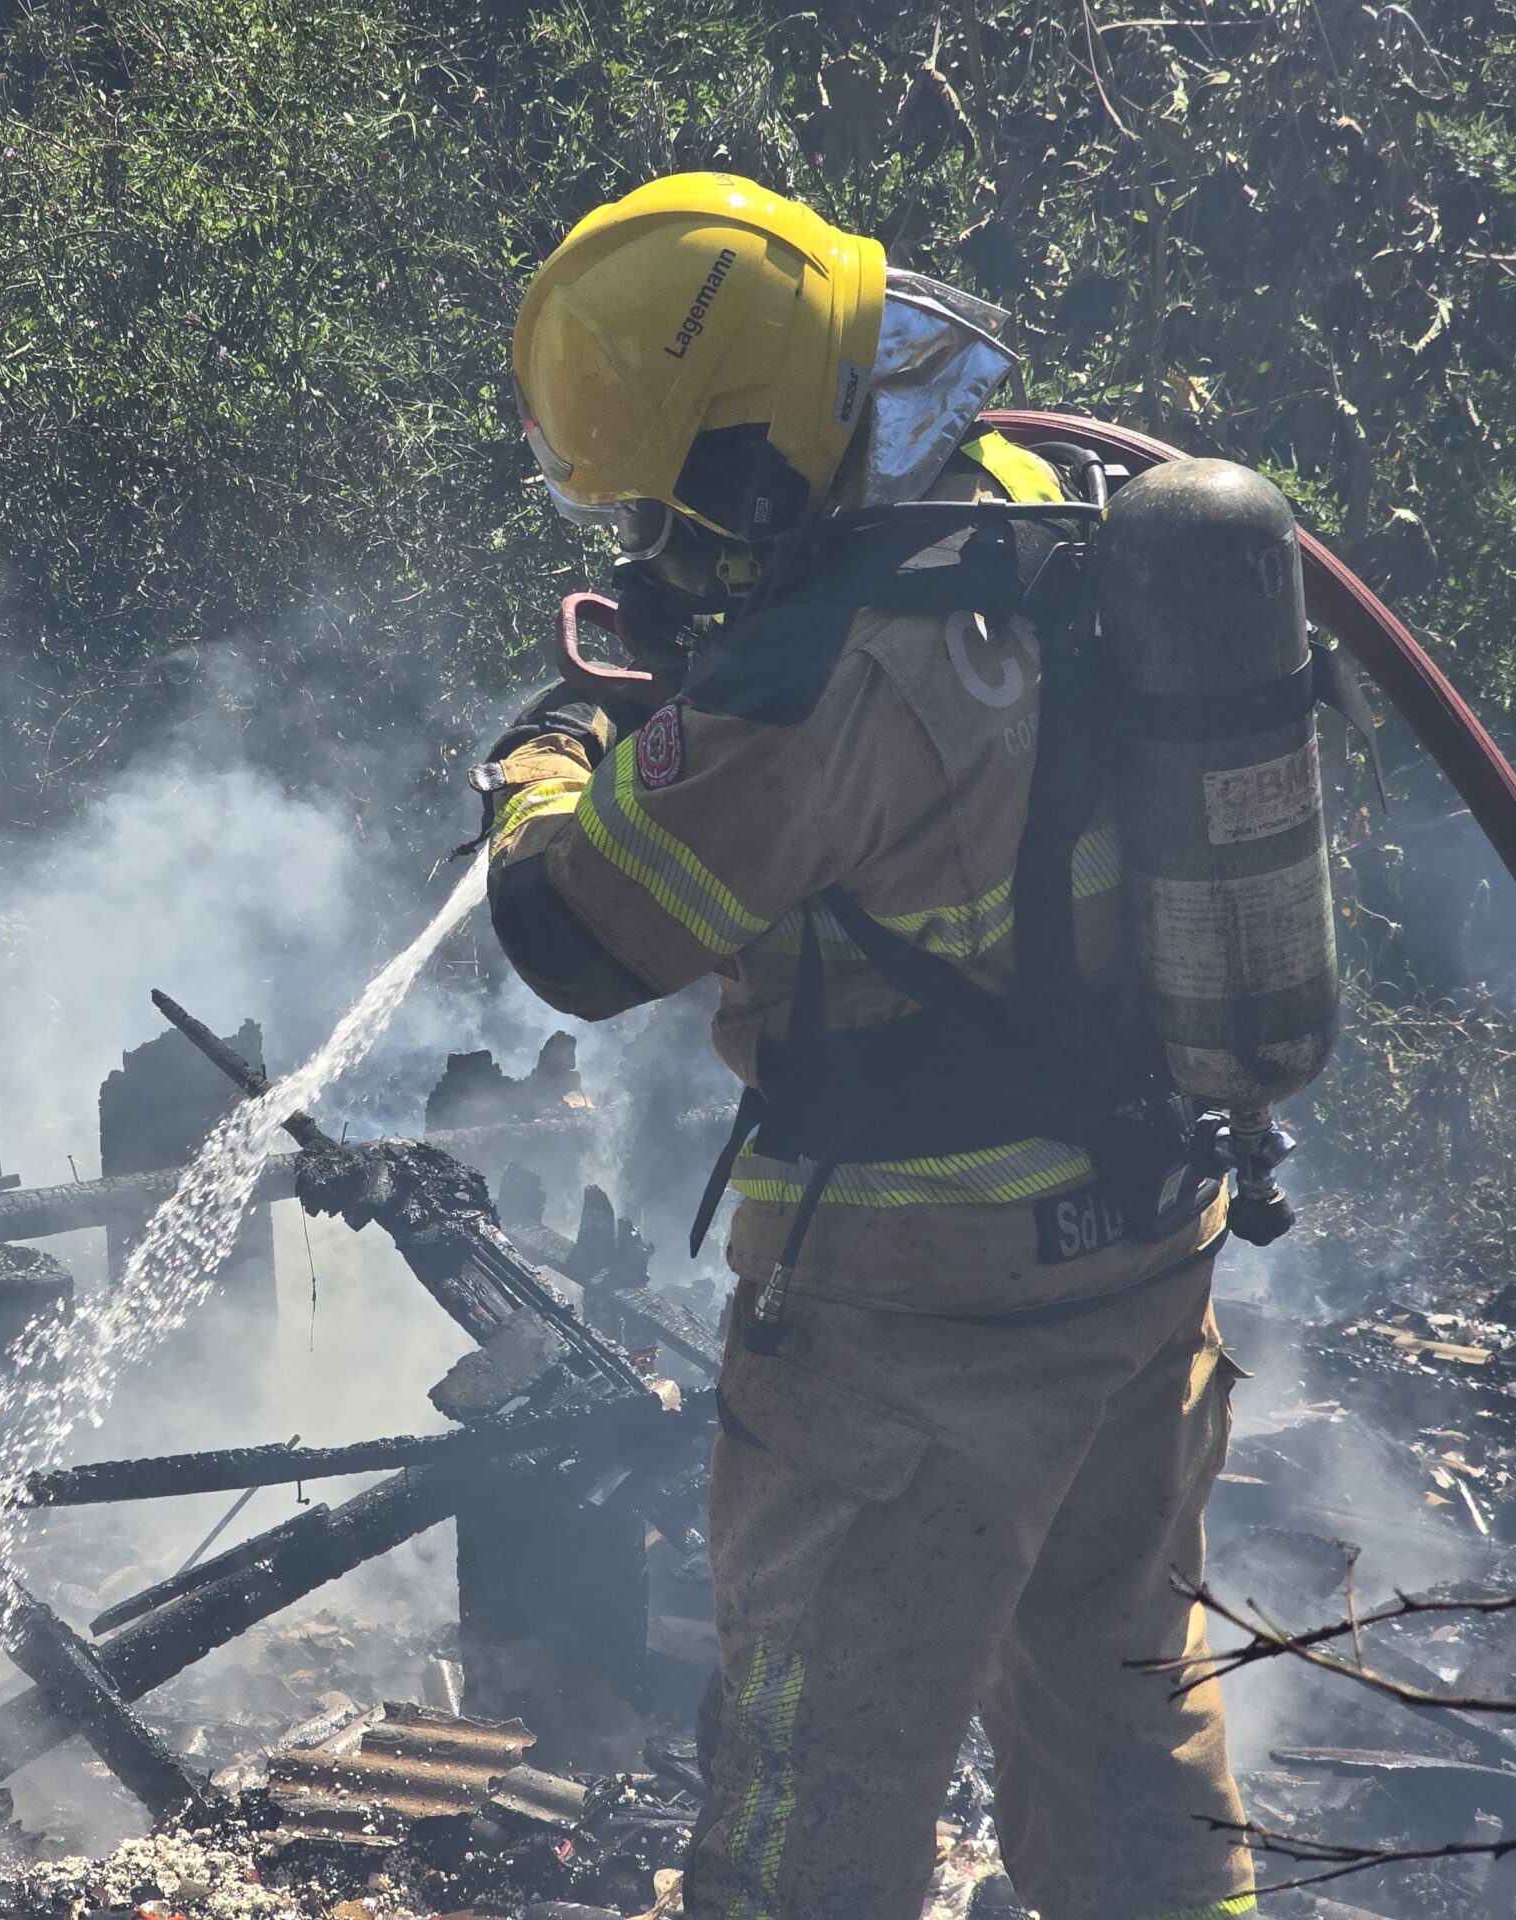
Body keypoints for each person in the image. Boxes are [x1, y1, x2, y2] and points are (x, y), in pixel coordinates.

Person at [482, 173, 1257, 1920]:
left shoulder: (806, 679)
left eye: (683, 508)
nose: (659, 547)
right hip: (1143, 1259)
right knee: (1123, 1707)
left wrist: (541, 762)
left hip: (917, 1326)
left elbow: (578, 936)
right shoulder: (1046, 503)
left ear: (758, 458)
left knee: (809, 1787)